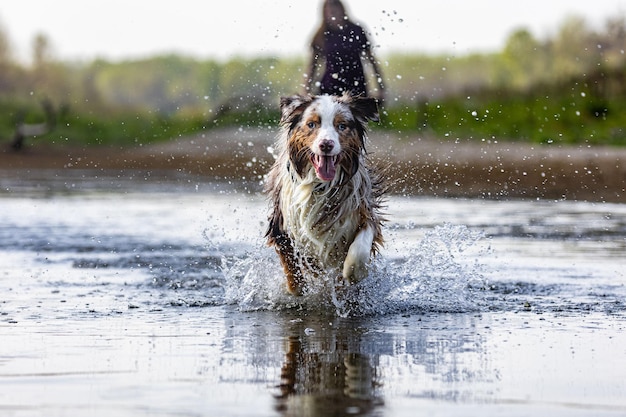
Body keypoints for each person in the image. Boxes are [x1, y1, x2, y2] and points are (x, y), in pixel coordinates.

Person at [305, 0, 385, 103]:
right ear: (324, 13)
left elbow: (371, 61)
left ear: (342, 10)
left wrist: (381, 87)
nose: (332, 12)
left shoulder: (356, 30)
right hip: (330, 88)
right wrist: (306, 91)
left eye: (335, 9)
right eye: (329, 10)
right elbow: (312, 66)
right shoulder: (321, 34)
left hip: (356, 85)